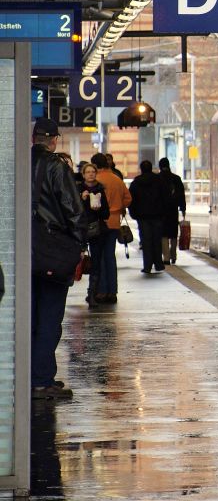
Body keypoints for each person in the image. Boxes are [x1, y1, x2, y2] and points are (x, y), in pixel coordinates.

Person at [30, 117, 87, 400]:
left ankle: (29, 375)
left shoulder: (17, 163)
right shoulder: (56, 166)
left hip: (21, 253)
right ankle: (41, 380)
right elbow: (73, 210)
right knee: (50, 317)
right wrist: (79, 244)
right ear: (53, 140)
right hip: (51, 252)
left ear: (33, 138)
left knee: (28, 317)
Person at [91, 153, 131, 304]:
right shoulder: (116, 179)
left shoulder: (96, 181)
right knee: (109, 257)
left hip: (99, 222)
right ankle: (112, 291)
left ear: (95, 165)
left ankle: (101, 291)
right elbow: (128, 198)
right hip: (114, 222)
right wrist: (118, 208)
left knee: (99, 258)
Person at [77, 163, 109, 308]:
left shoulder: (100, 190)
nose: (90, 174)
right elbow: (72, 210)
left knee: (96, 262)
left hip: (97, 230)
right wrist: (81, 200)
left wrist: (98, 207)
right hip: (81, 229)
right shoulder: (77, 189)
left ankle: (92, 294)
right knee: (77, 259)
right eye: (87, 172)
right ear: (83, 175)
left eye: (92, 172)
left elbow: (106, 213)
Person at [128, 160, 167, 274]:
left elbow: (131, 200)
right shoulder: (159, 181)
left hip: (142, 217)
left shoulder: (136, 183)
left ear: (141, 169)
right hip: (157, 216)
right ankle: (159, 264)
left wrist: (134, 213)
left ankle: (147, 266)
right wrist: (164, 212)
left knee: (146, 241)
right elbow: (165, 198)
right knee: (157, 240)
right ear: (151, 168)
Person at [157, 158, 186, 265]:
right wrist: (183, 209)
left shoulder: (157, 179)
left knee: (164, 234)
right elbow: (181, 196)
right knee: (173, 234)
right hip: (173, 211)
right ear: (169, 165)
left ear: (160, 166)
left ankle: (166, 257)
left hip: (161, 211)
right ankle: (173, 255)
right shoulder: (176, 179)